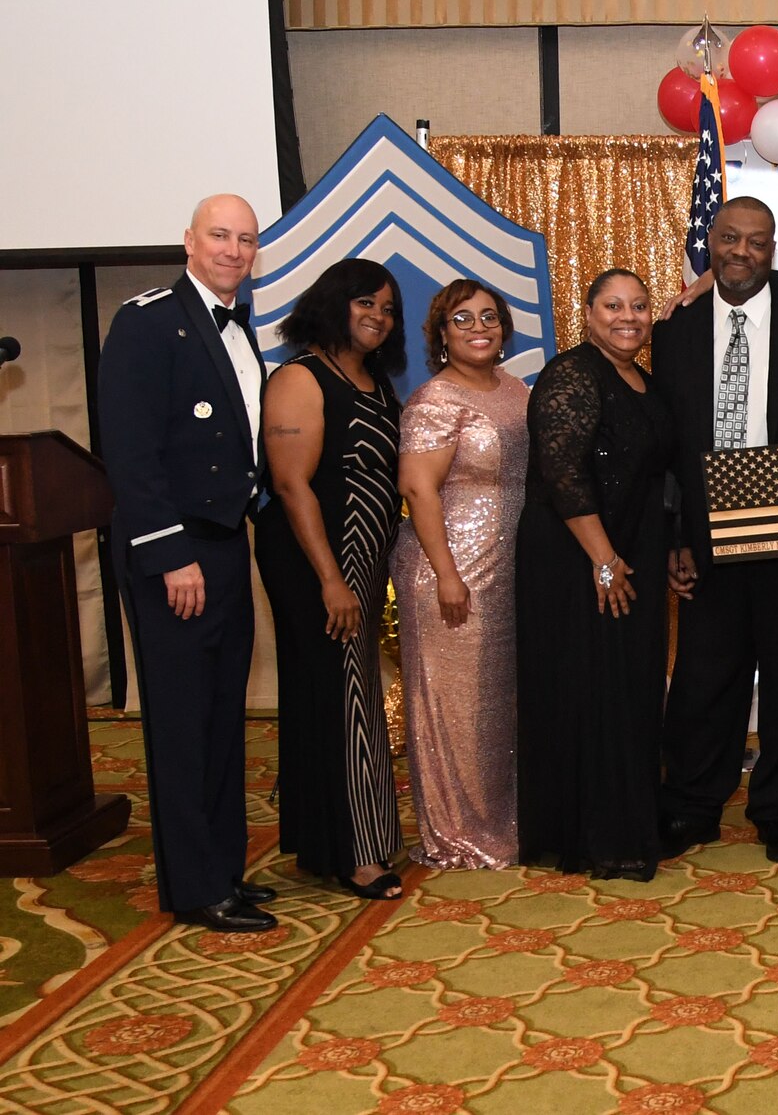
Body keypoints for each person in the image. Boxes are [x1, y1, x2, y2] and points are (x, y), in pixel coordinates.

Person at [654, 197, 778, 865]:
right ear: (710, 241)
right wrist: (677, 535)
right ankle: (692, 806)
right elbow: (671, 441)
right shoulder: (673, 328)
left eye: (757, 242)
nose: (742, 252)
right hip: (710, 525)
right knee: (705, 677)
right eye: (730, 239)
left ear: (775, 248)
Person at [99, 194, 277, 932]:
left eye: (245, 239)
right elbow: (131, 453)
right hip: (178, 553)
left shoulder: (242, 325)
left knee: (220, 719)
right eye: (219, 236)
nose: (233, 250)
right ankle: (197, 887)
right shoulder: (146, 322)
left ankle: (223, 872)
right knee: (181, 724)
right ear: (188, 242)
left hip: (226, 546)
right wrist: (171, 554)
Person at [257, 259, 407, 900]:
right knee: (341, 691)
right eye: (365, 303)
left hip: (363, 563)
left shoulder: (373, 380)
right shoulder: (301, 377)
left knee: (346, 689)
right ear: (333, 303)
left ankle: (335, 841)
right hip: (318, 563)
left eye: (388, 308)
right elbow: (291, 485)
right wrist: (330, 580)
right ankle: (354, 854)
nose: (378, 316)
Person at [516, 269, 673, 880]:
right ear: (587, 313)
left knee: (628, 687)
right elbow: (563, 474)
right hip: (580, 557)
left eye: (638, 305)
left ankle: (627, 818)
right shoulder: (572, 375)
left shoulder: (641, 380)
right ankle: (594, 835)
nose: (627, 316)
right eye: (612, 305)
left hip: (632, 549)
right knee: (591, 686)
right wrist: (604, 561)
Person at [391, 280, 530, 870]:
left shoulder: (515, 388)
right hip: (451, 570)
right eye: (463, 319)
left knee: (497, 702)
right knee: (456, 704)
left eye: (490, 318)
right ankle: (459, 833)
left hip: (509, 570)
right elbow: (418, 487)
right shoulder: (434, 400)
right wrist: (447, 573)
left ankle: (506, 820)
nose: (480, 328)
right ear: (441, 332)